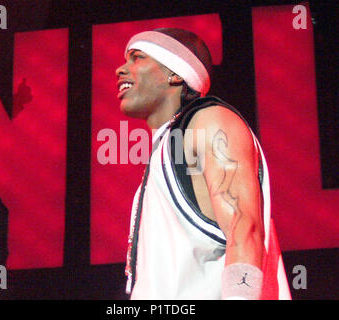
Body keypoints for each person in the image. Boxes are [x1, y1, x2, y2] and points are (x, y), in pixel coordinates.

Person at [115, 28, 290, 300]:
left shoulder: (209, 122)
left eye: (137, 58)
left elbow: (245, 231)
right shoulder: (167, 149)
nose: (120, 70)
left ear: (175, 73)